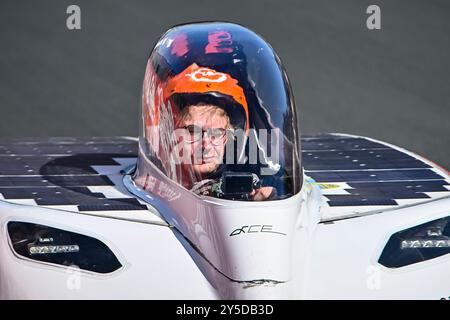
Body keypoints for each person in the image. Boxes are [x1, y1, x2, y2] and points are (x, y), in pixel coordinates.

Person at [174, 100, 275, 201]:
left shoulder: (255, 180)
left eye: (217, 133)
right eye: (193, 131)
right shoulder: (161, 171)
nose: (206, 146)